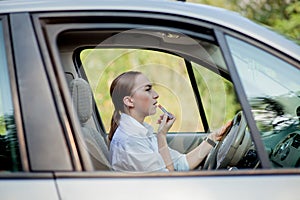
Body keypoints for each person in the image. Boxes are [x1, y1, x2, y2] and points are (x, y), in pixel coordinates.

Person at [109, 71, 232, 172]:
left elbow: (182, 163)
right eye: (147, 89)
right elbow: (169, 180)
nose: (156, 95)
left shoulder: (142, 133)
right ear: (129, 101)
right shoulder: (131, 141)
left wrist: (213, 138)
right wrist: (161, 136)